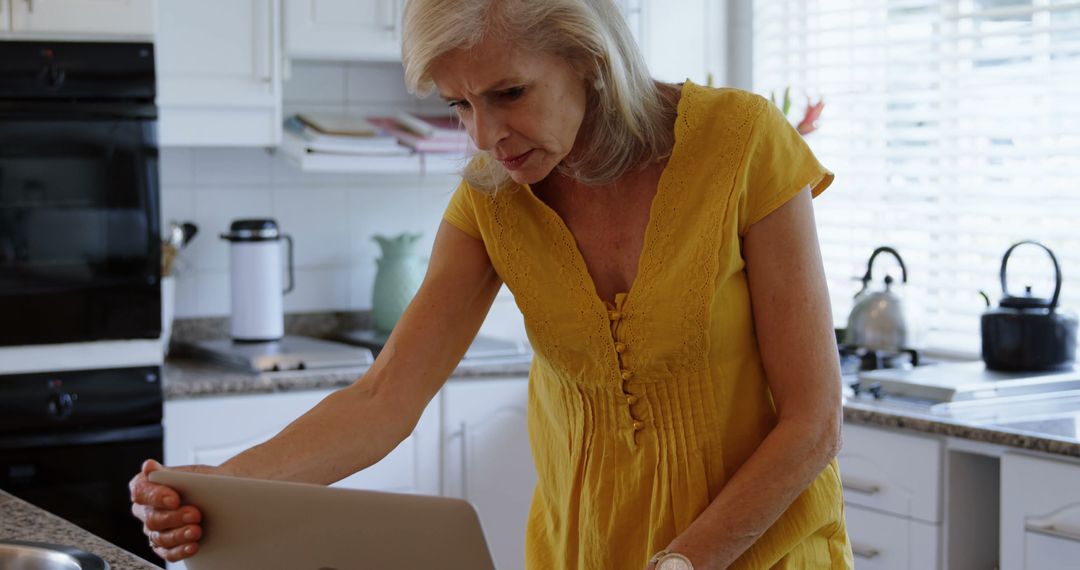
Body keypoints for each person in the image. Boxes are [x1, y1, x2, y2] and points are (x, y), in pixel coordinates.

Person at [129, 0, 853, 567]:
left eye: (509, 93)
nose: (483, 136)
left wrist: (685, 563)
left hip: (764, 553)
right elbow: (384, 400)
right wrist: (215, 487)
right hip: (588, 553)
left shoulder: (743, 142)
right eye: (459, 104)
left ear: (590, 61)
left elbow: (813, 421)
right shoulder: (492, 200)